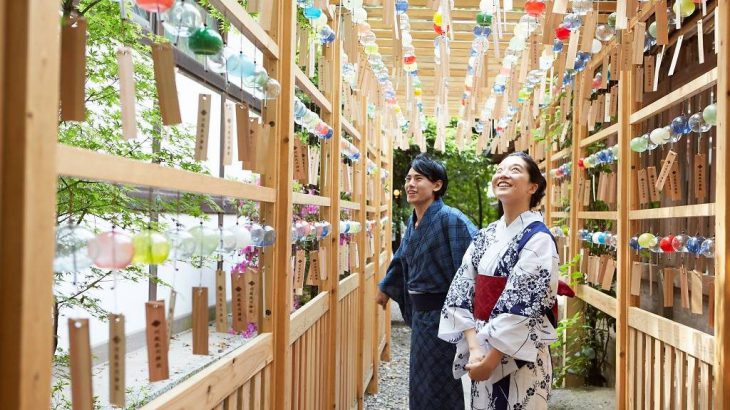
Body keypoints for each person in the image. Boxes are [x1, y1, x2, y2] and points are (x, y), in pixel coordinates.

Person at [439, 152, 560, 409]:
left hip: (517, 353)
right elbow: (462, 289)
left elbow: (522, 306)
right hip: (481, 345)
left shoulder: (538, 239)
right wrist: (474, 349)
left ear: (532, 187)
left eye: (514, 170)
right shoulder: (487, 234)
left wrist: (491, 359)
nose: (503, 174)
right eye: (500, 169)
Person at [376, 153, 477, 410]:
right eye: (408, 178)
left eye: (418, 178)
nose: (410, 183)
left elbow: (473, 268)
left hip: (445, 316)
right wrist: (385, 289)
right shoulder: (415, 221)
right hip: (422, 317)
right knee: (421, 381)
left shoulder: (452, 219)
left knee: (439, 382)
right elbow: (401, 259)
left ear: (437, 185)